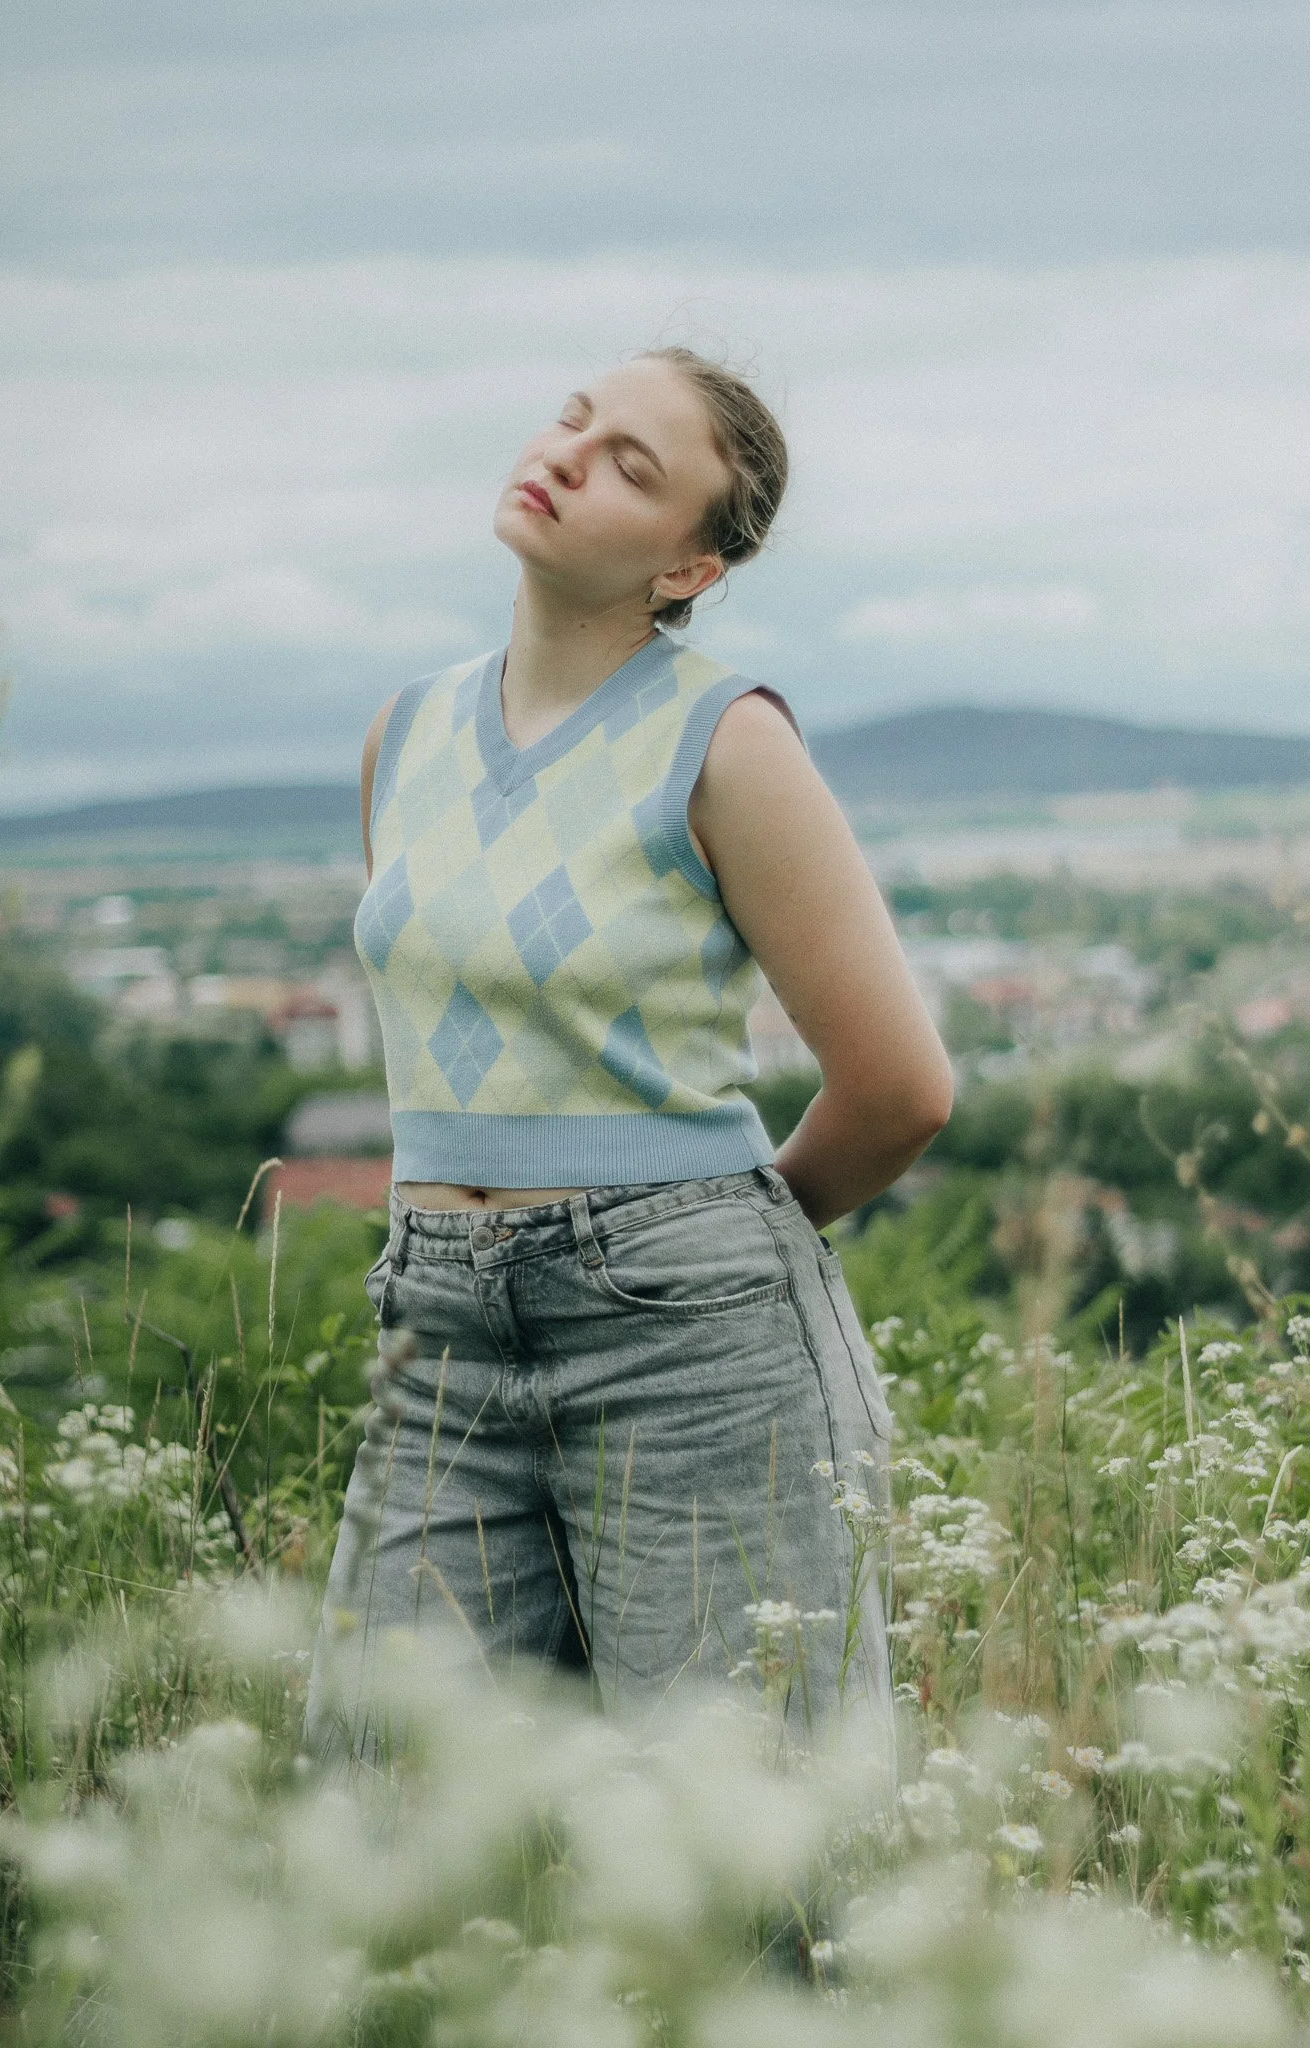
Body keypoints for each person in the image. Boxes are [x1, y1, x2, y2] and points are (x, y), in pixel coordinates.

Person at [306, 345, 952, 1760]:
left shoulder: (726, 741)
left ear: (687, 568)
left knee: (744, 1858)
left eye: (629, 466)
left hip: (690, 1336)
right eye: (576, 419)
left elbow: (901, 1089)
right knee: (375, 1826)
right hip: (438, 1329)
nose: (569, 452)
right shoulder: (401, 735)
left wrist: (698, 1238)